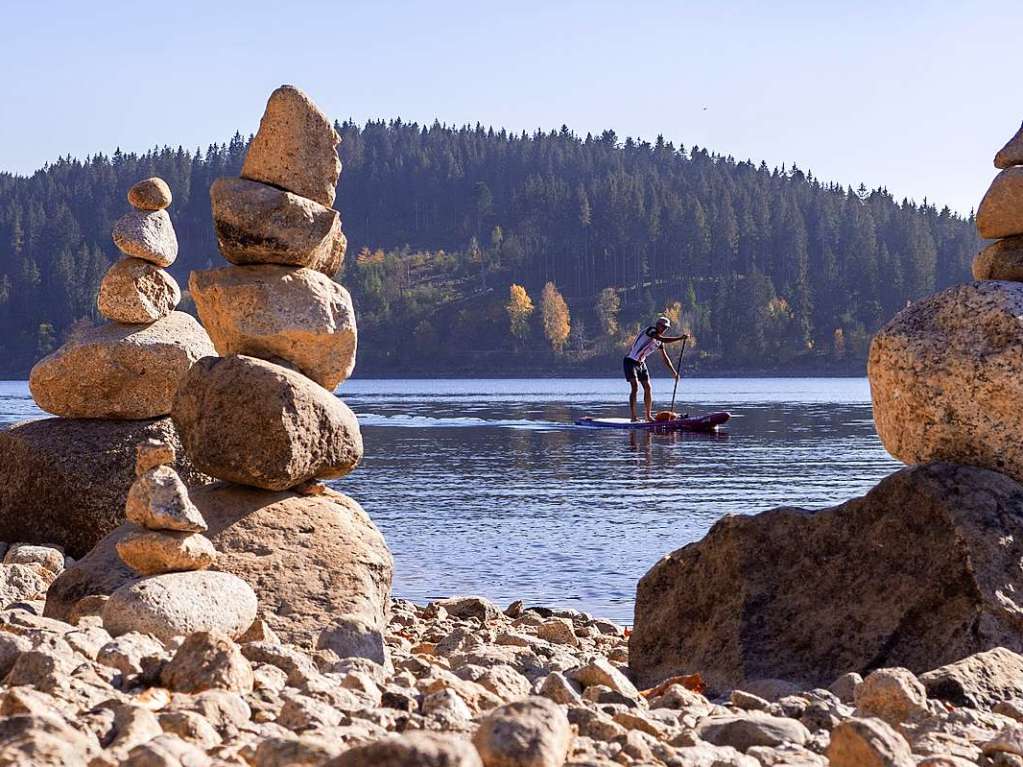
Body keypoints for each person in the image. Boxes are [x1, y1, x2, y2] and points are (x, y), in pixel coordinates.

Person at [623, 316, 688, 421]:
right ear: (657, 324)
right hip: (630, 361)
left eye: (665, 328)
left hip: (641, 363)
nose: (663, 329)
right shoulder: (651, 330)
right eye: (662, 326)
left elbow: (665, 358)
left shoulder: (659, 342)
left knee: (648, 388)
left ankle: (648, 416)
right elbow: (663, 339)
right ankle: (633, 417)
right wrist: (680, 338)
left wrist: (674, 373)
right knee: (635, 387)